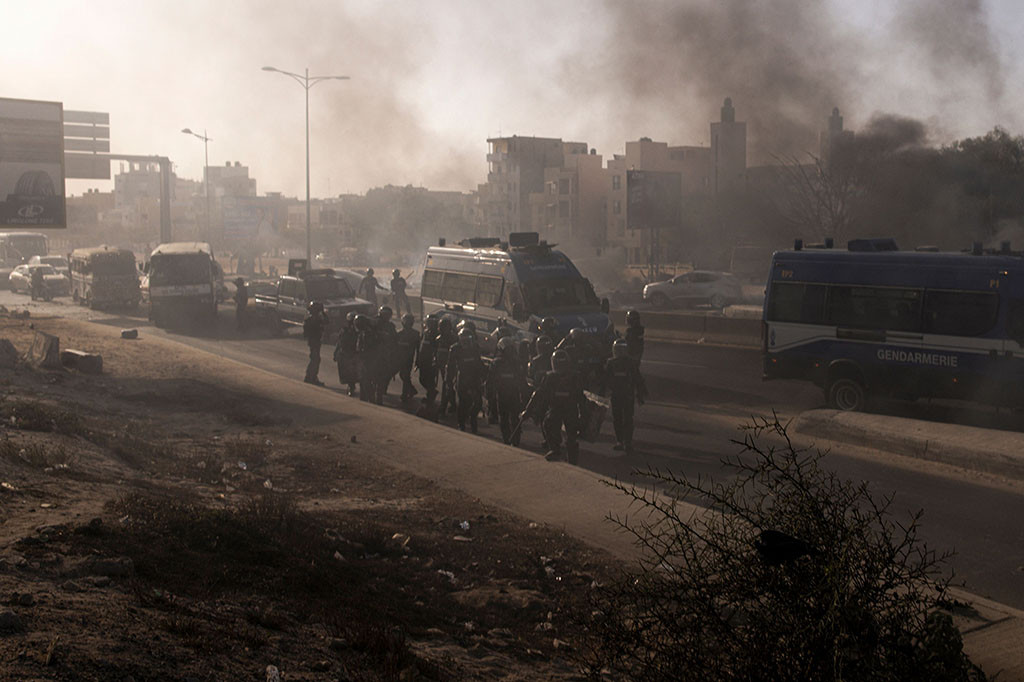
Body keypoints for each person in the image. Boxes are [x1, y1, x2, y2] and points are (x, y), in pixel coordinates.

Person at [521, 349, 586, 464]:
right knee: (557, 427)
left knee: (554, 426)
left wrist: (528, 410)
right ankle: (562, 452)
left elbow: (538, 394)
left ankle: (559, 450)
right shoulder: (571, 376)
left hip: (562, 409)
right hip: (565, 409)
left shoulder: (553, 376)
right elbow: (581, 397)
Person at [600, 339, 648, 454]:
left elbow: (637, 379)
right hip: (621, 395)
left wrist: (640, 394)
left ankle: (625, 442)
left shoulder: (626, 363)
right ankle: (622, 441)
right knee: (621, 419)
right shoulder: (614, 363)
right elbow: (606, 379)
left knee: (625, 419)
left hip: (624, 395)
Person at [486, 337, 526, 445]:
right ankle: (515, 439)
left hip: (503, 393)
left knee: (504, 417)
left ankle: (507, 438)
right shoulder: (516, 362)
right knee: (513, 417)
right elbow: (522, 380)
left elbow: (490, 380)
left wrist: (489, 395)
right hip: (512, 393)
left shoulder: (496, 362)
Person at [450, 328, 486, 433]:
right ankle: (461, 424)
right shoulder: (455, 349)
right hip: (462, 377)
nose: (465, 342)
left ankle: (473, 419)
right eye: (463, 339)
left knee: (478, 402)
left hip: (474, 377)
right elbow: (451, 365)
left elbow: (479, 362)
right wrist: (449, 379)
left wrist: (484, 374)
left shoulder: (475, 348)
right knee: (463, 402)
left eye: (467, 339)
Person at [374, 305, 398, 404]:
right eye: (384, 314)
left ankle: (381, 391)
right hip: (374, 354)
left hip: (386, 354)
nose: (386, 316)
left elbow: (394, 339)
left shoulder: (391, 326)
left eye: (388, 315)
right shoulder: (374, 323)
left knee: (385, 374)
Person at [354, 313, 379, 402]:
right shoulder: (364, 332)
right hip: (366, 358)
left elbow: (365, 347)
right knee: (363, 378)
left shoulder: (367, 333)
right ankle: (364, 396)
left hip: (367, 358)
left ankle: (370, 396)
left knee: (365, 378)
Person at [303, 301, 329, 386]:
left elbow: (326, 322)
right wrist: (323, 313)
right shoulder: (313, 320)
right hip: (314, 341)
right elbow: (326, 322)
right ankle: (311, 377)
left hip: (315, 341)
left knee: (315, 359)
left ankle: (310, 376)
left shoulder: (312, 319)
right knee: (315, 359)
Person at [436, 317, 458, 416]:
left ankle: (443, 406)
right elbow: (437, 352)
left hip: (450, 366)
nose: (441, 329)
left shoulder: (453, 339)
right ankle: (453, 404)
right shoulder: (439, 338)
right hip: (441, 365)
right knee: (448, 385)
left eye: (443, 327)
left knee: (446, 385)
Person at [334, 311, 360, 396]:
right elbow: (340, 341)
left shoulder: (360, 330)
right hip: (346, 352)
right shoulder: (345, 330)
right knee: (348, 371)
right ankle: (351, 386)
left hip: (356, 352)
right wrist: (336, 352)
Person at [396, 312, 420, 401]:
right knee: (403, 375)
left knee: (405, 375)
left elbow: (418, 348)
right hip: (399, 357)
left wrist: (417, 360)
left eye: (409, 321)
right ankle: (411, 390)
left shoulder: (415, 334)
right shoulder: (399, 333)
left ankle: (405, 394)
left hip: (409, 358)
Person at [417, 315, 440, 404]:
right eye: (429, 322)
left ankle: (430, 397)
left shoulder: (437, 334)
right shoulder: (425, 332)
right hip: (423, 359)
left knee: (430, 380)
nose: (430, 324)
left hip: (431, 361)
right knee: (422, 379)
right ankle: (431, 392)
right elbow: (421, 346)